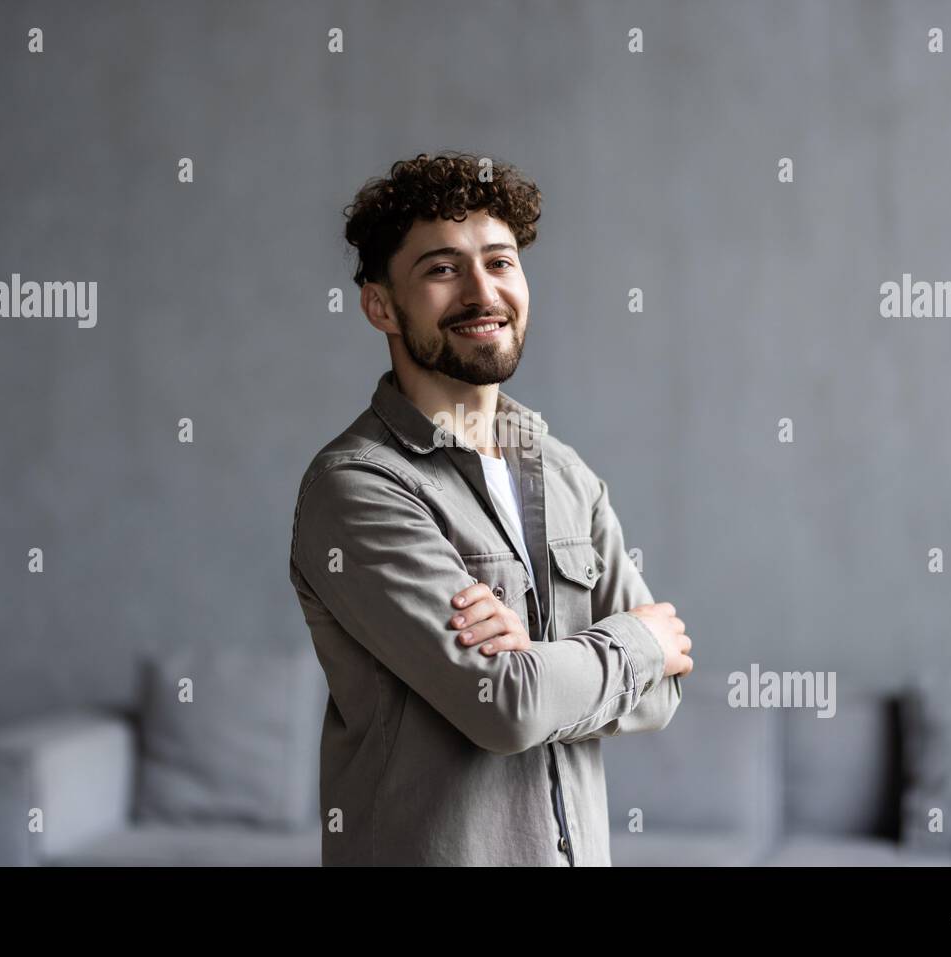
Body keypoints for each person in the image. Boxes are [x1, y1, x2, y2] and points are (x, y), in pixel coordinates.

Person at [289, 151, 693, 866]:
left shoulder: (566, 475)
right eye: (442, 269)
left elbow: (662, 696)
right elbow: (507, 708)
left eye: (500, 262)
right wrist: (634, 642)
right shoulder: (357, 487)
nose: (483, 292)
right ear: (381, 304)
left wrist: (541, 663)